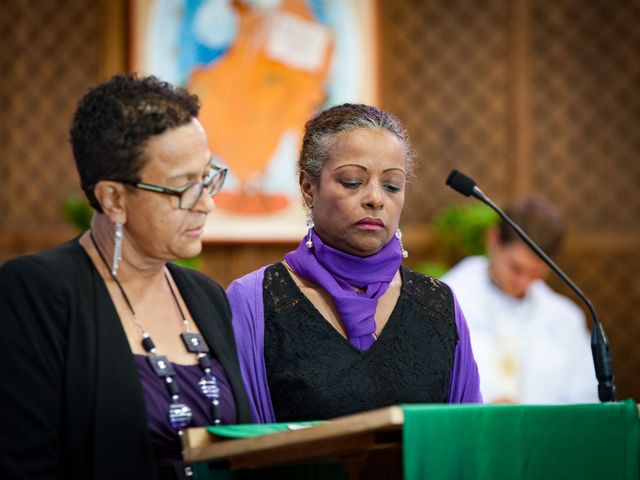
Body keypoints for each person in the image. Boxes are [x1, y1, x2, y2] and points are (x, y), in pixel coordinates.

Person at [0, 74, 251, 480]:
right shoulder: (37, 291)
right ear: (113, 199)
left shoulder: (205, 295)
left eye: (208, 177)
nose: (206, 203)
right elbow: (24, 463)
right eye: (184, 187)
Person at [227, 103, 482, 424]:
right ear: (308, 187)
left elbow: (465, 437)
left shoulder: (439, 304)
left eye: (392, 185)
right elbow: (244, 445)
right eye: (351, 181)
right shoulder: (255, 300)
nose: (375, 198)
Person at [441, 196, 598, 404]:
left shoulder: (564, 318)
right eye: (516, 268)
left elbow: (585, 396)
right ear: (494, 240)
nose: (523, 283)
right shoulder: (443, 301)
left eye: (536, 273)